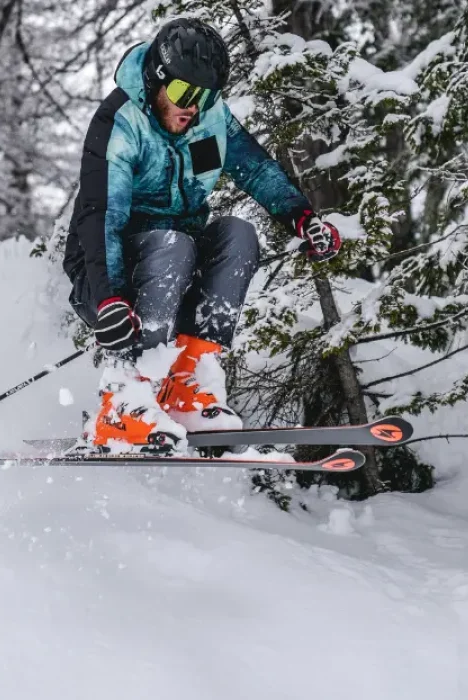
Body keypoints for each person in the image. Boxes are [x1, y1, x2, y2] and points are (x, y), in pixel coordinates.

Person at [63, 17, 341, 452]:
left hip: (177, 261)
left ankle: (186, 384)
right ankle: (124, 402)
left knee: (238, 236)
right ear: (156, 80)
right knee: (171, 245)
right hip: (105, 275)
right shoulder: (120, 123)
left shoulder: (209, 122)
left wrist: (302, 217)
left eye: (205, 95)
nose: (192, 106)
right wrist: (108, 299)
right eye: (182, 93)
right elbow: (102, 221)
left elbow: (257, 169)